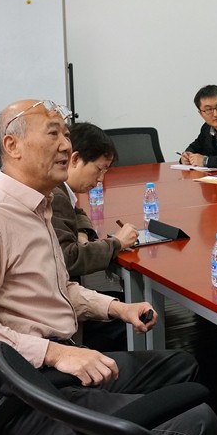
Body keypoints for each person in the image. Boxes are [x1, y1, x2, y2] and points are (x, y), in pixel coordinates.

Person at [0, 99, 217, 435]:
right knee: (196, 424)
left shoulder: (37, 208)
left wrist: (116, 309)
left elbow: (57, 288)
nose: (66, 145)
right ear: (12, 145)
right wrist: (56, 353)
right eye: (52, 133)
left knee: (181, 365)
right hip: (29, 397)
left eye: (66, 134)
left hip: (59, 368)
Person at [51, 122, 139, 351]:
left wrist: (81, 232)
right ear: (75, 159)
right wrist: (116, 243)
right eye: (99, 169)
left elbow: (77, 212)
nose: (100, 179)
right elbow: (69, 259)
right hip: (60, 316)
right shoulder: (55, 196)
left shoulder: (60, 190)